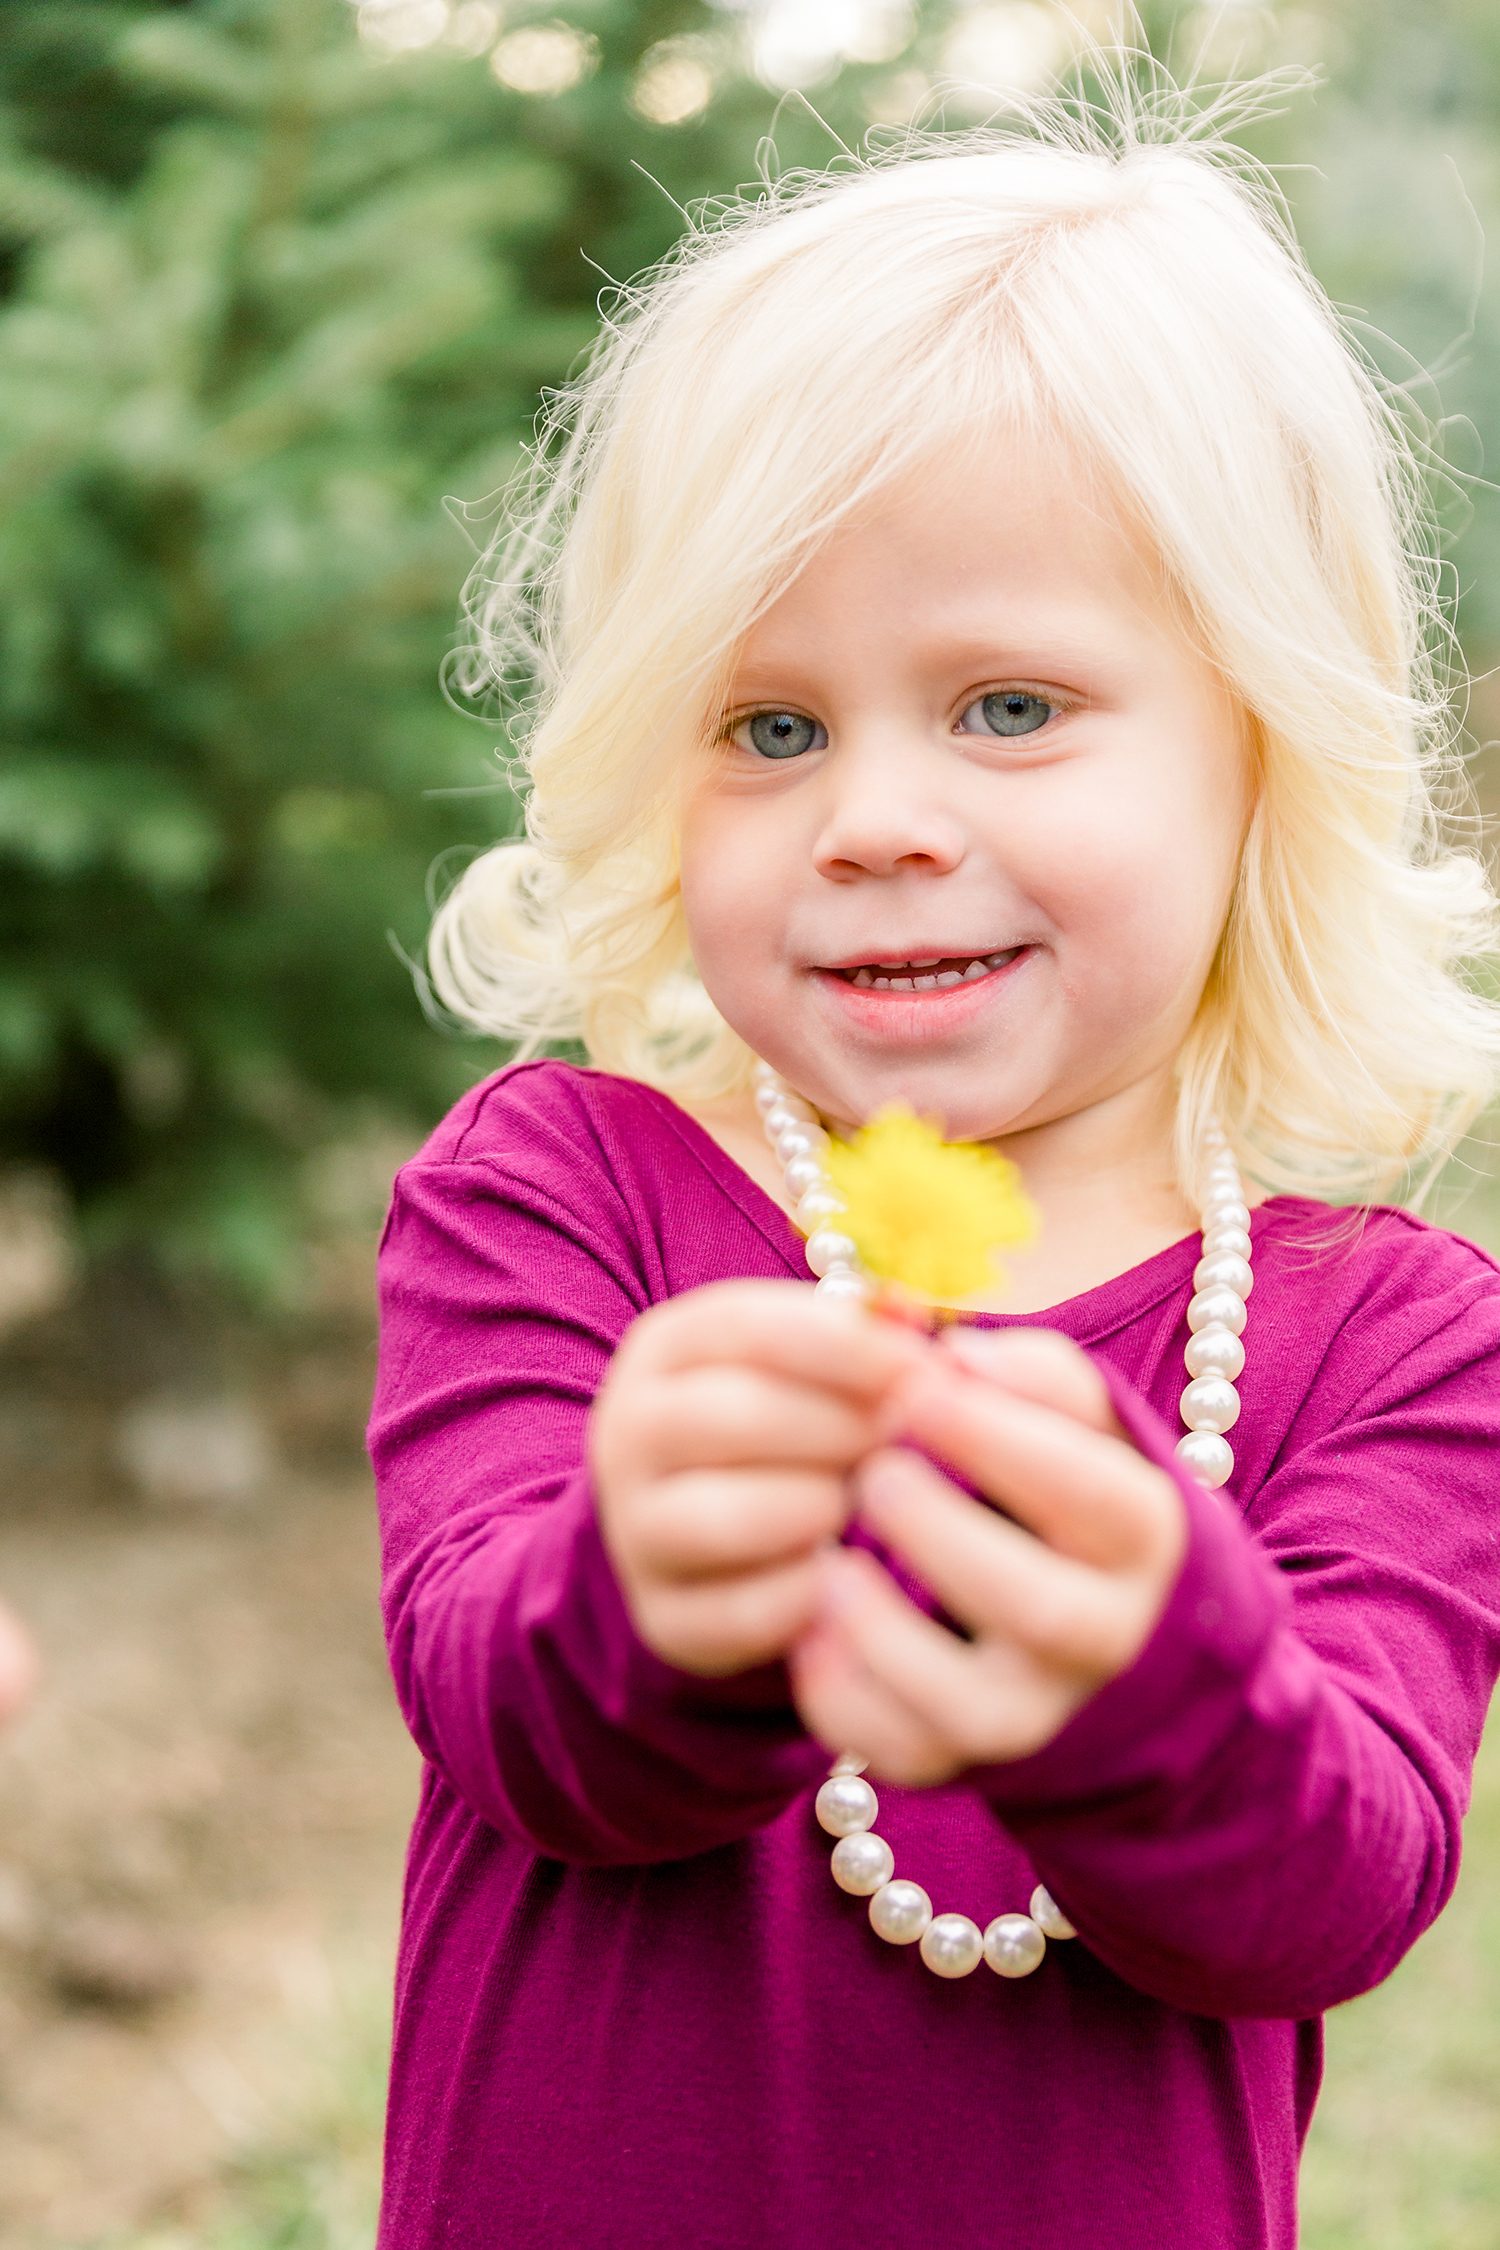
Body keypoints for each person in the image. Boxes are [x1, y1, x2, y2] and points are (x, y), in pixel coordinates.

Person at [368, 69, 1500, 2250]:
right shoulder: (564, 1196)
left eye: (1006, 707)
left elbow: (1337, 1887)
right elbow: (509, 1704)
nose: (876, 816)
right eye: (770, 727)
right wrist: (653, 1586)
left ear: (1261, 749)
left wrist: (1158, 1661)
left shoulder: (1396, 1341)